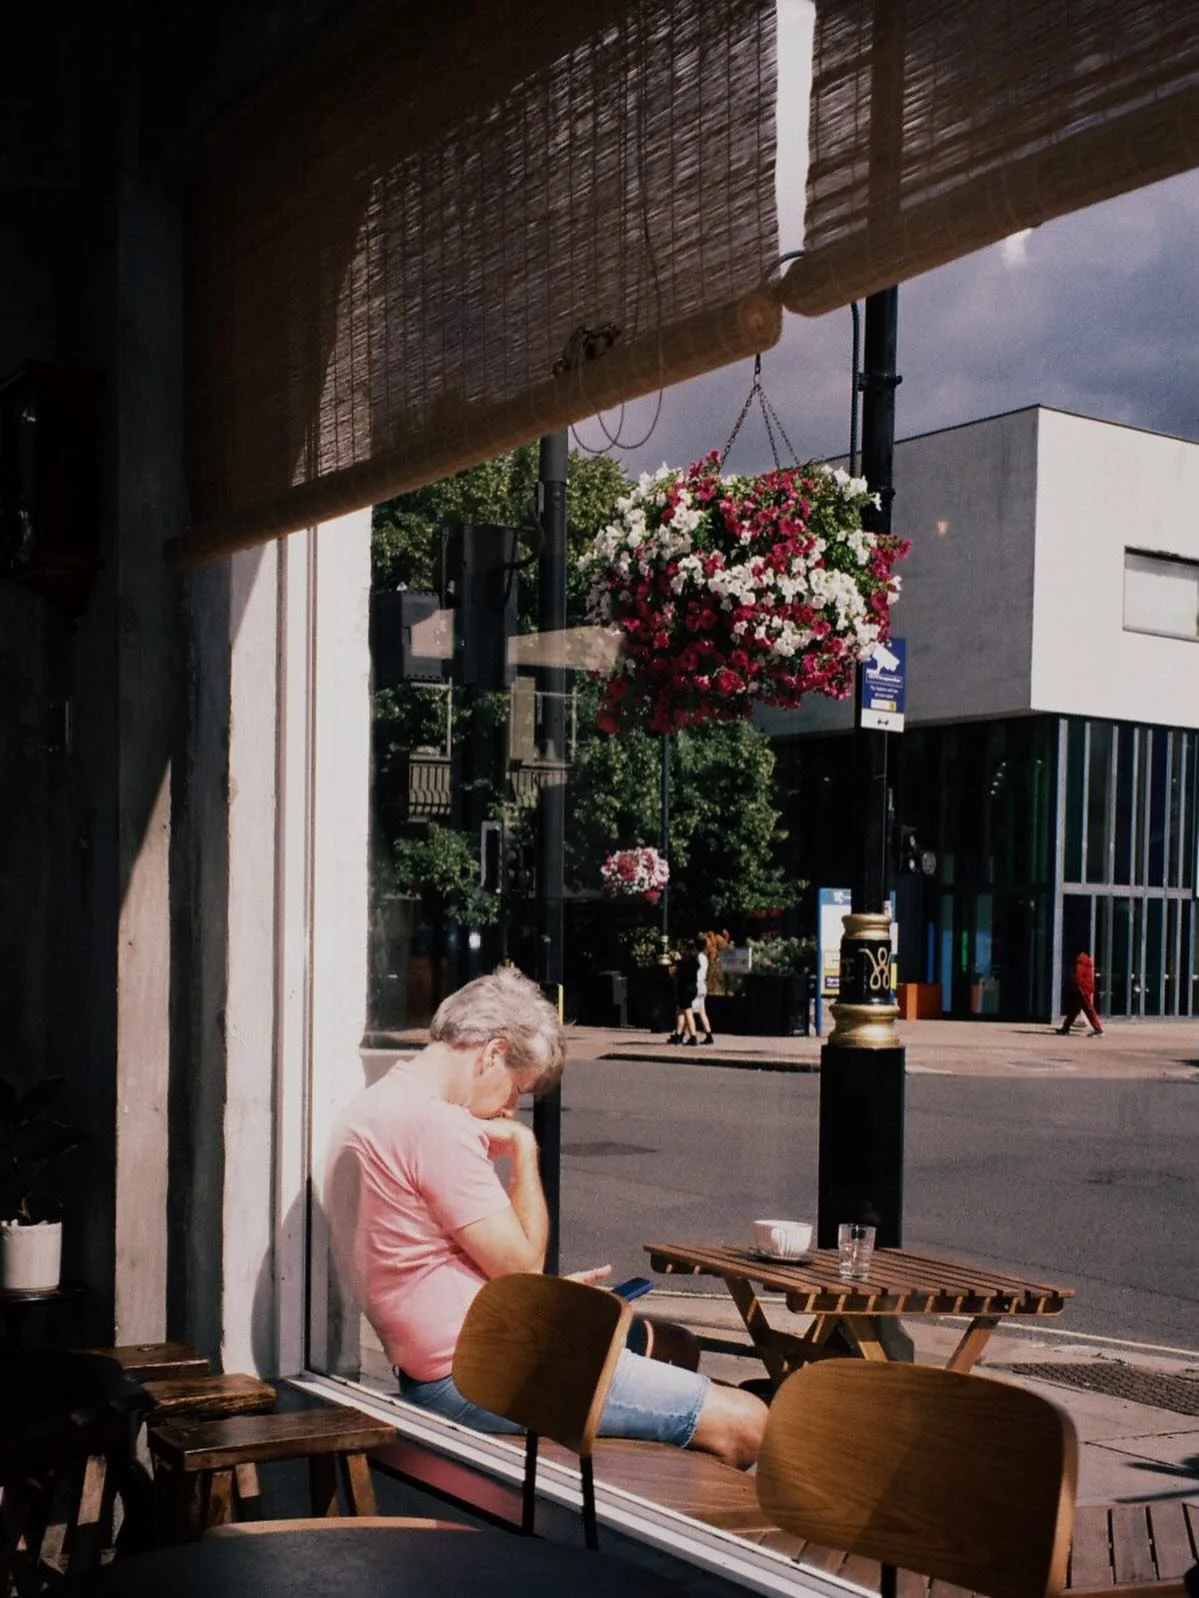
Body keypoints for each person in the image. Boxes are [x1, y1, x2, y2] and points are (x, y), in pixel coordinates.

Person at [324, 966, 766, 1468]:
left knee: (672, 1343)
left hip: (452, 1355)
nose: (512, 1106)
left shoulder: (379, 1104)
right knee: (747, 1422)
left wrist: (546, 1302)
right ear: (492, 1053)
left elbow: (429, 1258)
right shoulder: (435, 1127)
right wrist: (522, 1147)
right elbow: (522, 1268)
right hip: (480, 1371)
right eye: (517, 1088)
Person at [1058, 949, 1104, 1036]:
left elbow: (1079, 976)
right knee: (1074, 1009)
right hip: (1083, 988)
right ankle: (1065, 1028)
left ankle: (1098, 1029)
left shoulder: (1080, 960)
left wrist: (1076, 985)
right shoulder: (1085, 958)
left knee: (1088, 1008)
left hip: (1082, 989)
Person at [667, 942, 699, 1045]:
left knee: (687, 1012)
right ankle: (678, 1035)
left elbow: (674, 974)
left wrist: (676, 962)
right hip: (693, 987)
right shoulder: (695, 960)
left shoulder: (683, 962)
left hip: (684, 989)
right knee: (681, 1011)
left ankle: (693, 1036)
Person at [688, 934, 715, 1046]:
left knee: (688, 1010)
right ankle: (709, 1035)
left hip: (695, 984)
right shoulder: (704, 957)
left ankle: (690, 1035)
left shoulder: (696, 957)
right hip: (702, 984)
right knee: (701, 1011)